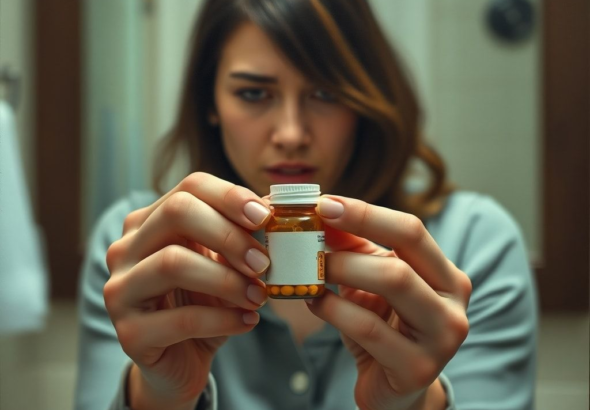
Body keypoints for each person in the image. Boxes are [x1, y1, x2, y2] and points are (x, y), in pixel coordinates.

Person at [75, 1, 538, 409]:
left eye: (326, 94)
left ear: (365, 100)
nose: (292, 133)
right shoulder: (139, 247)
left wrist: (416, 403)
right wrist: (158, 395)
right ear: (209, 102)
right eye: (254, 93)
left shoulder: (476, 242)